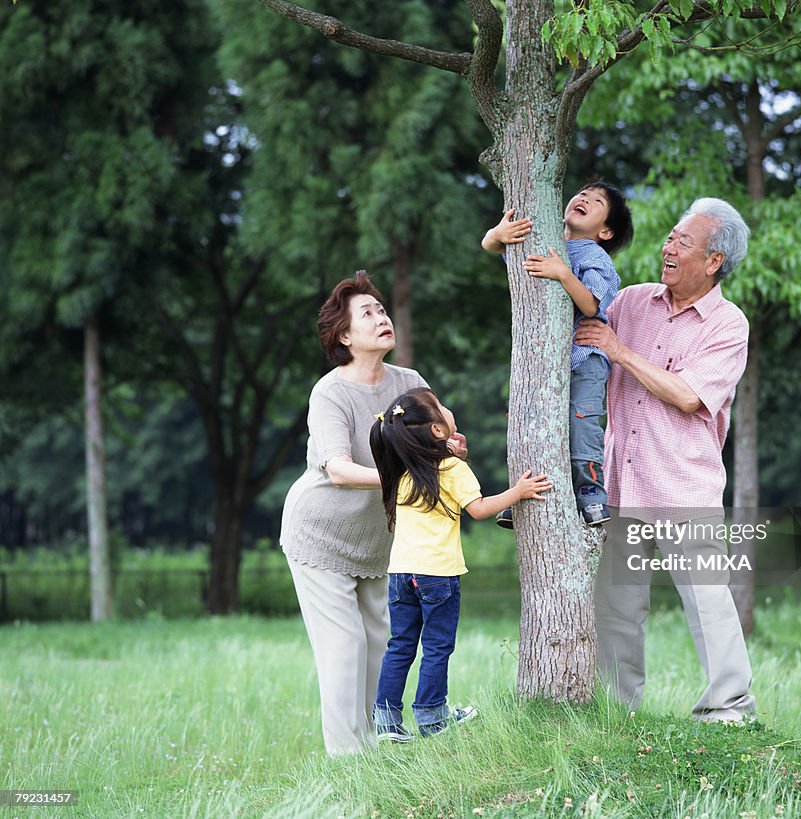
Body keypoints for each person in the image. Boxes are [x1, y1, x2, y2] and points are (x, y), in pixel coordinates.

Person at [574, 197, 756, 723]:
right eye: (670, 237)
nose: (667, 248)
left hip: (684, 489)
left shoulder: (728, 324)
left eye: (683, 242)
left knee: (708, 603)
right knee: (617, 612)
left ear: (714, 261)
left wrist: (622, 352)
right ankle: (617, 713)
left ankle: (728, 709)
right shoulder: (631, 301)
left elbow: (688, 396)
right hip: (620, 486)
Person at [279, 272, 455, 756]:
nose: (382, 318)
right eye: (368, 314)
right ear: (344, 336)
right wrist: (408, 473)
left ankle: (378, 754)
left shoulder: (409, 383)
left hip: (378, 541)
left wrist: (448, 445)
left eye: (382, 310)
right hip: (320, 535)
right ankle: (347, 765)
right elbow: (336, 469)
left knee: (379, 645)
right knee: (345, 648)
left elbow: (440, 430)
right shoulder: (330, 392)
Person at [369, 388, 551, 740]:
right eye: (439, 406)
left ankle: (387, 722)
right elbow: (479, 509)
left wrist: (452, 454)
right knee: (437, 647)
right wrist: (519, 491)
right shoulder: (451, 468)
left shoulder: (404, 468)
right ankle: (431, 718)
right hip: (437, 575)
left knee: (401, 646)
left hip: (400, 574)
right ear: (437, 430)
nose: (447, 408)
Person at [481, 182, 633, 528]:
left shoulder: (594, 257)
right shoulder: (546, 243)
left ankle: (592, 495)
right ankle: (520, 493)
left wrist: (563, 273)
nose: (583, 199)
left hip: (585, 359)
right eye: (582, 194)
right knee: (529, 423)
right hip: (543, 361)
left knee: (581, 425)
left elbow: (592, 305)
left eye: (596, 202)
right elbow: (492, 246)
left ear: (605, 231)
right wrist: (496, 233)